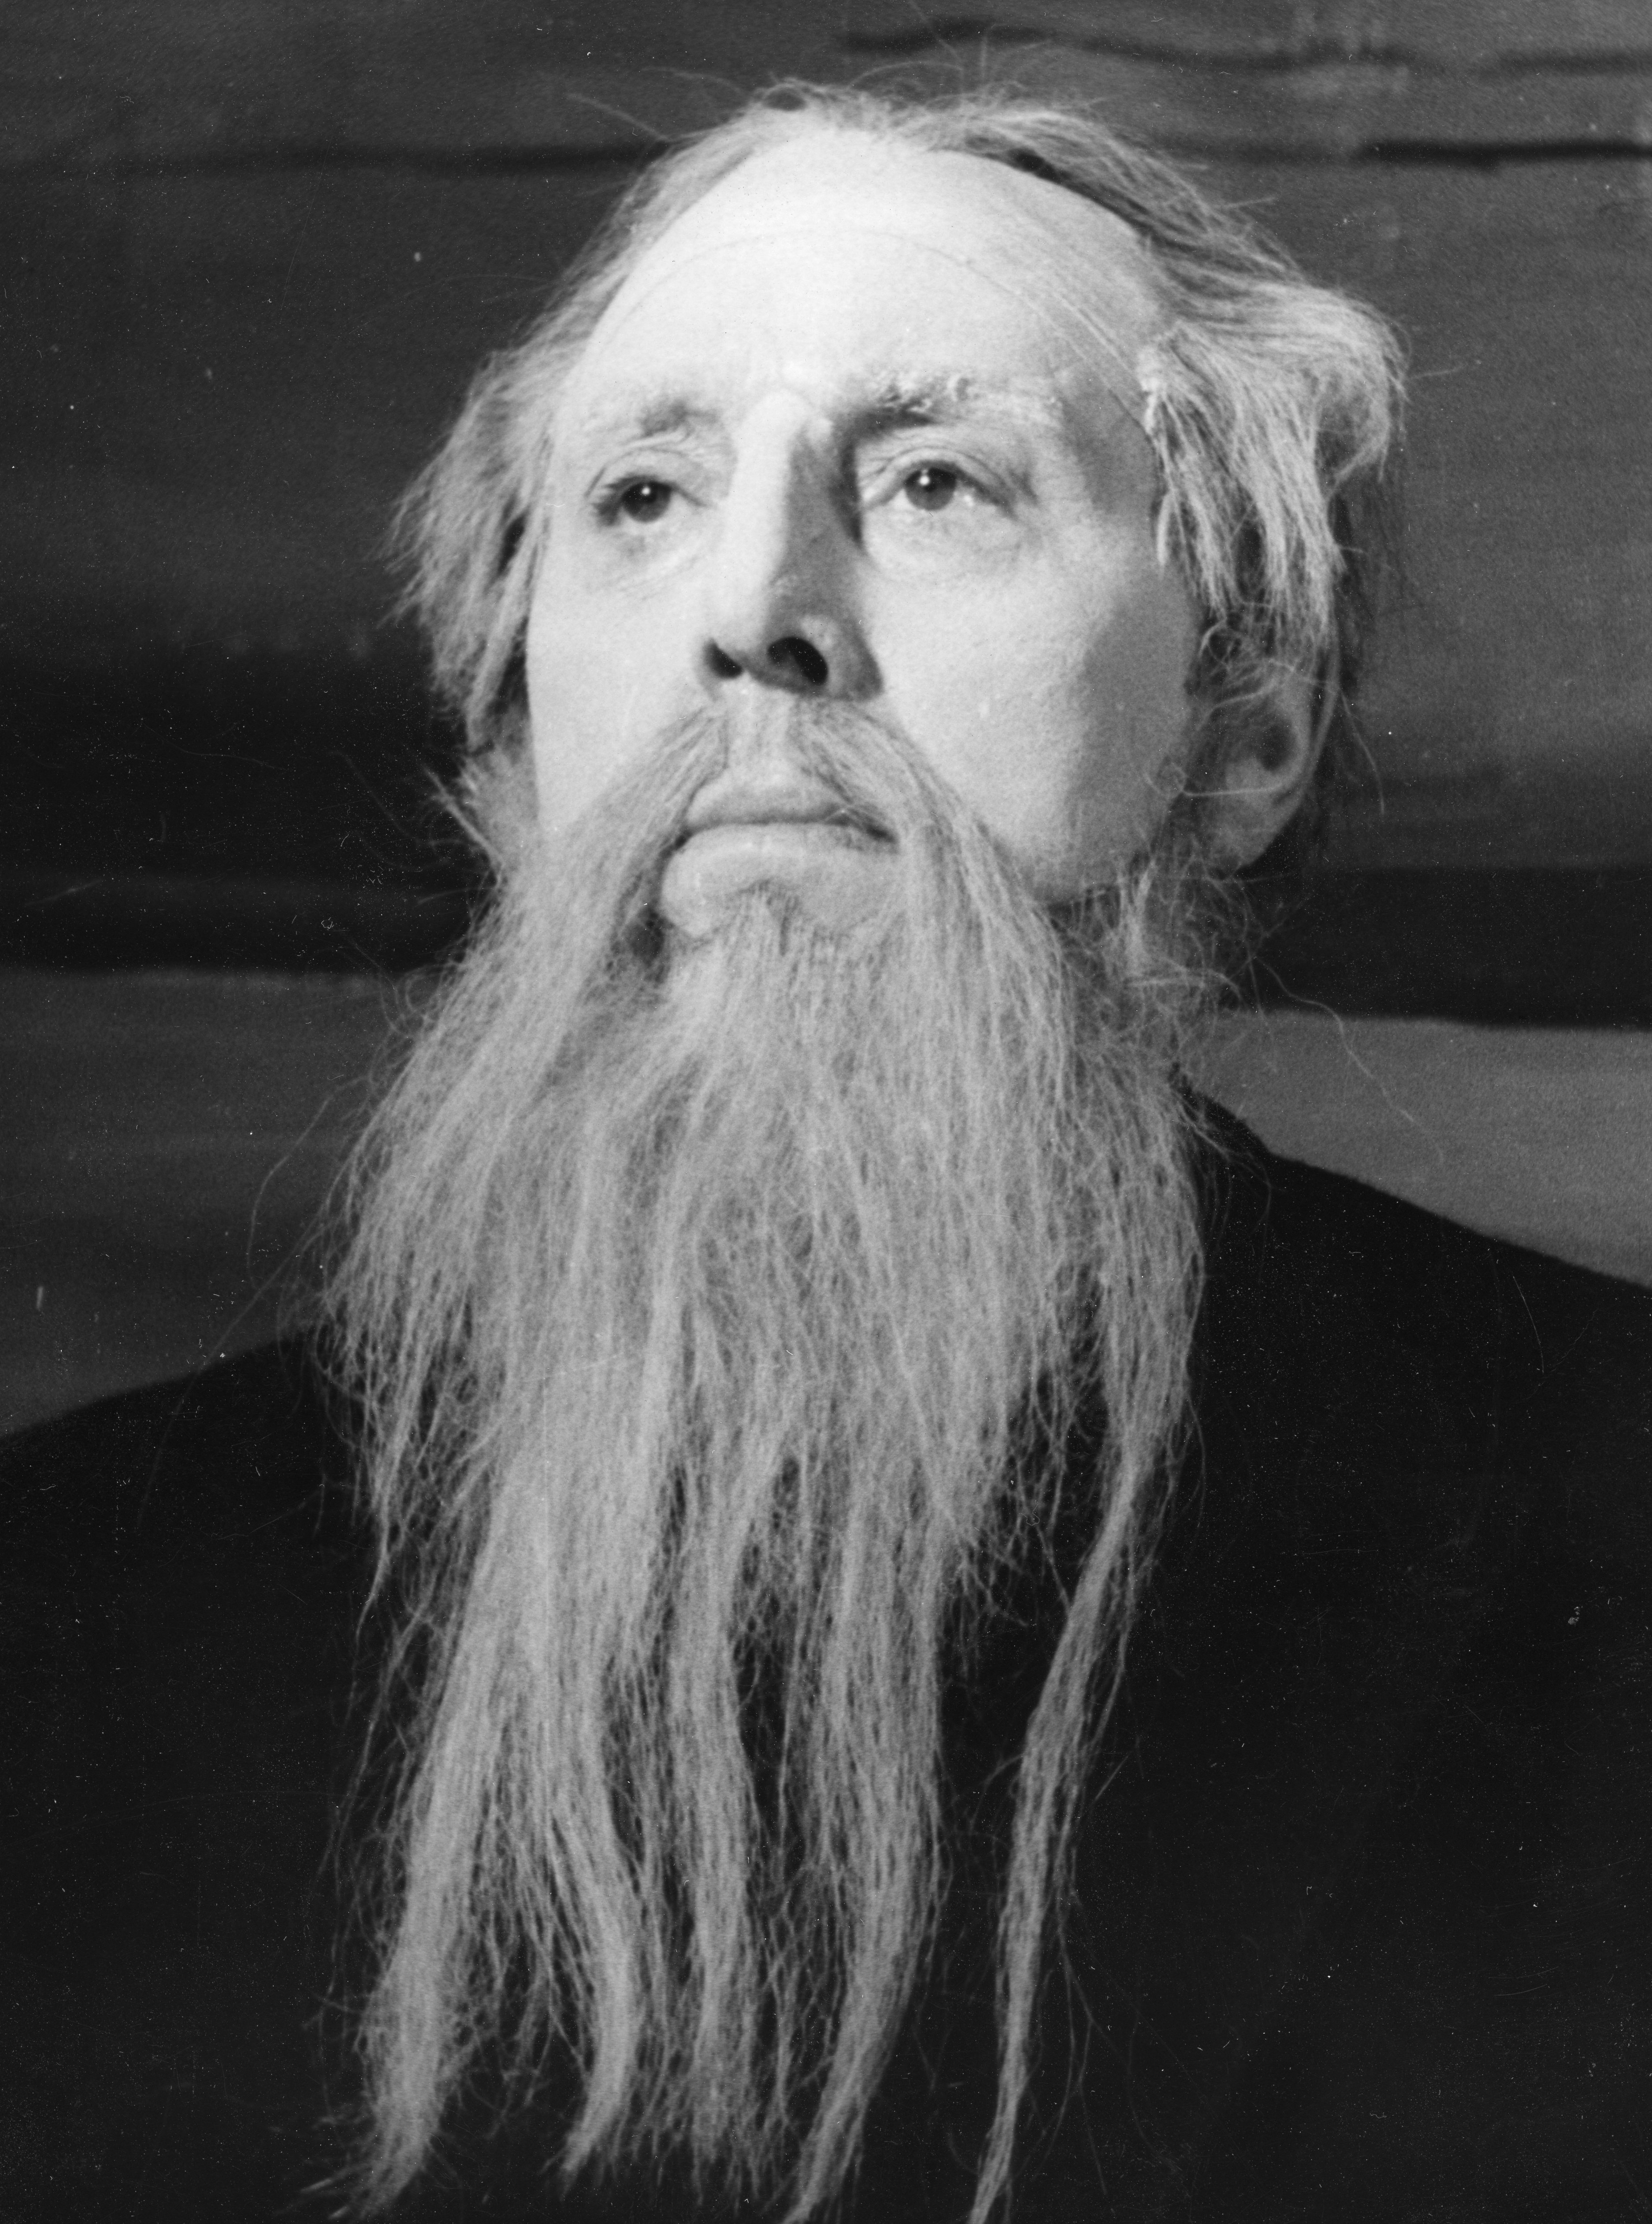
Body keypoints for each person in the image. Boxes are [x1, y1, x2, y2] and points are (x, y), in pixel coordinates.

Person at [4, 83, 1649, 2224]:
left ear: (1242, 721)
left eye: (937, 480)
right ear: (511, 746)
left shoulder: (1600, 1495)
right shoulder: (65, 1599)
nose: (754, 608)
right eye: (646, 494)